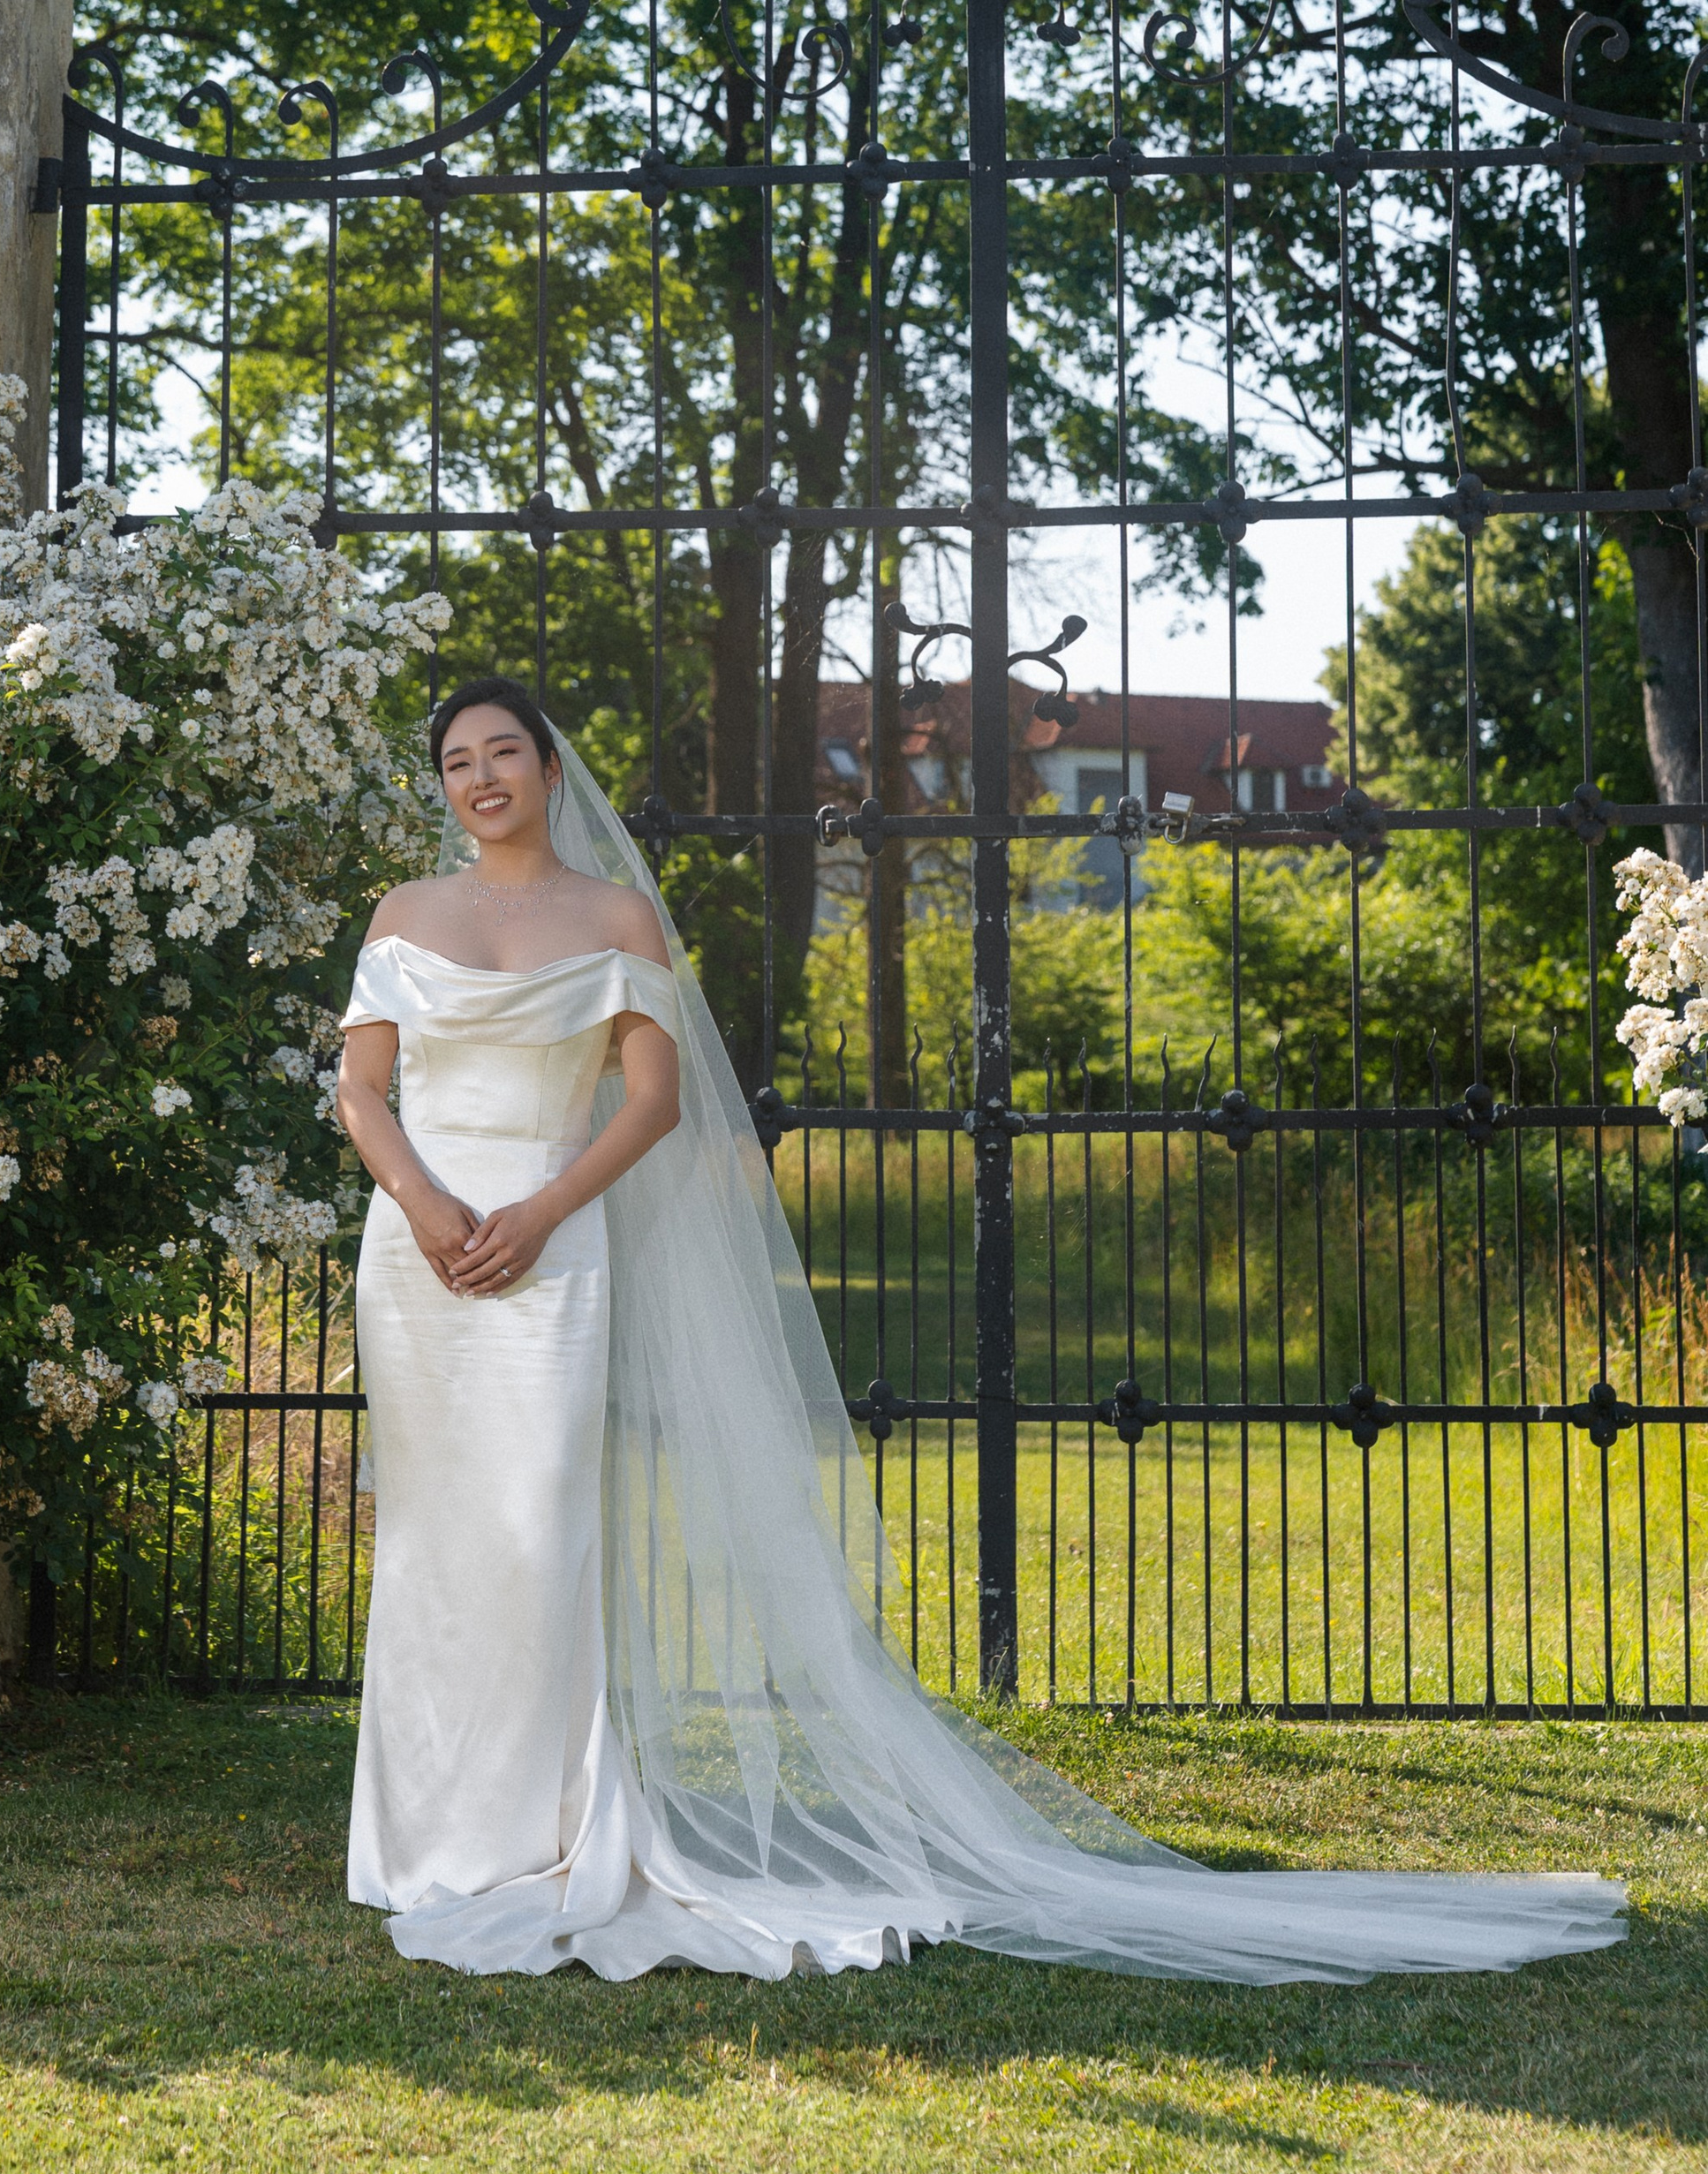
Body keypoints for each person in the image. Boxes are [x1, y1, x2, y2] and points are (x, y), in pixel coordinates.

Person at [334, 674, 1627, 1984]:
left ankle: (547, 1829)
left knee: (542, 1523)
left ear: (554, 772)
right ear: (443, 784)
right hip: (421, 1255)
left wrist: (544, 1210)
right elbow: (365, 1090)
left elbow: (655, 1100)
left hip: (553, 1248)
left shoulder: (615, 916)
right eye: (458, 759)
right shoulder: (403, 914)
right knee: (434, 1533)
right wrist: (429, 1203)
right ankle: (418, 1835)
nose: (481, 775)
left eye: (506, 750)